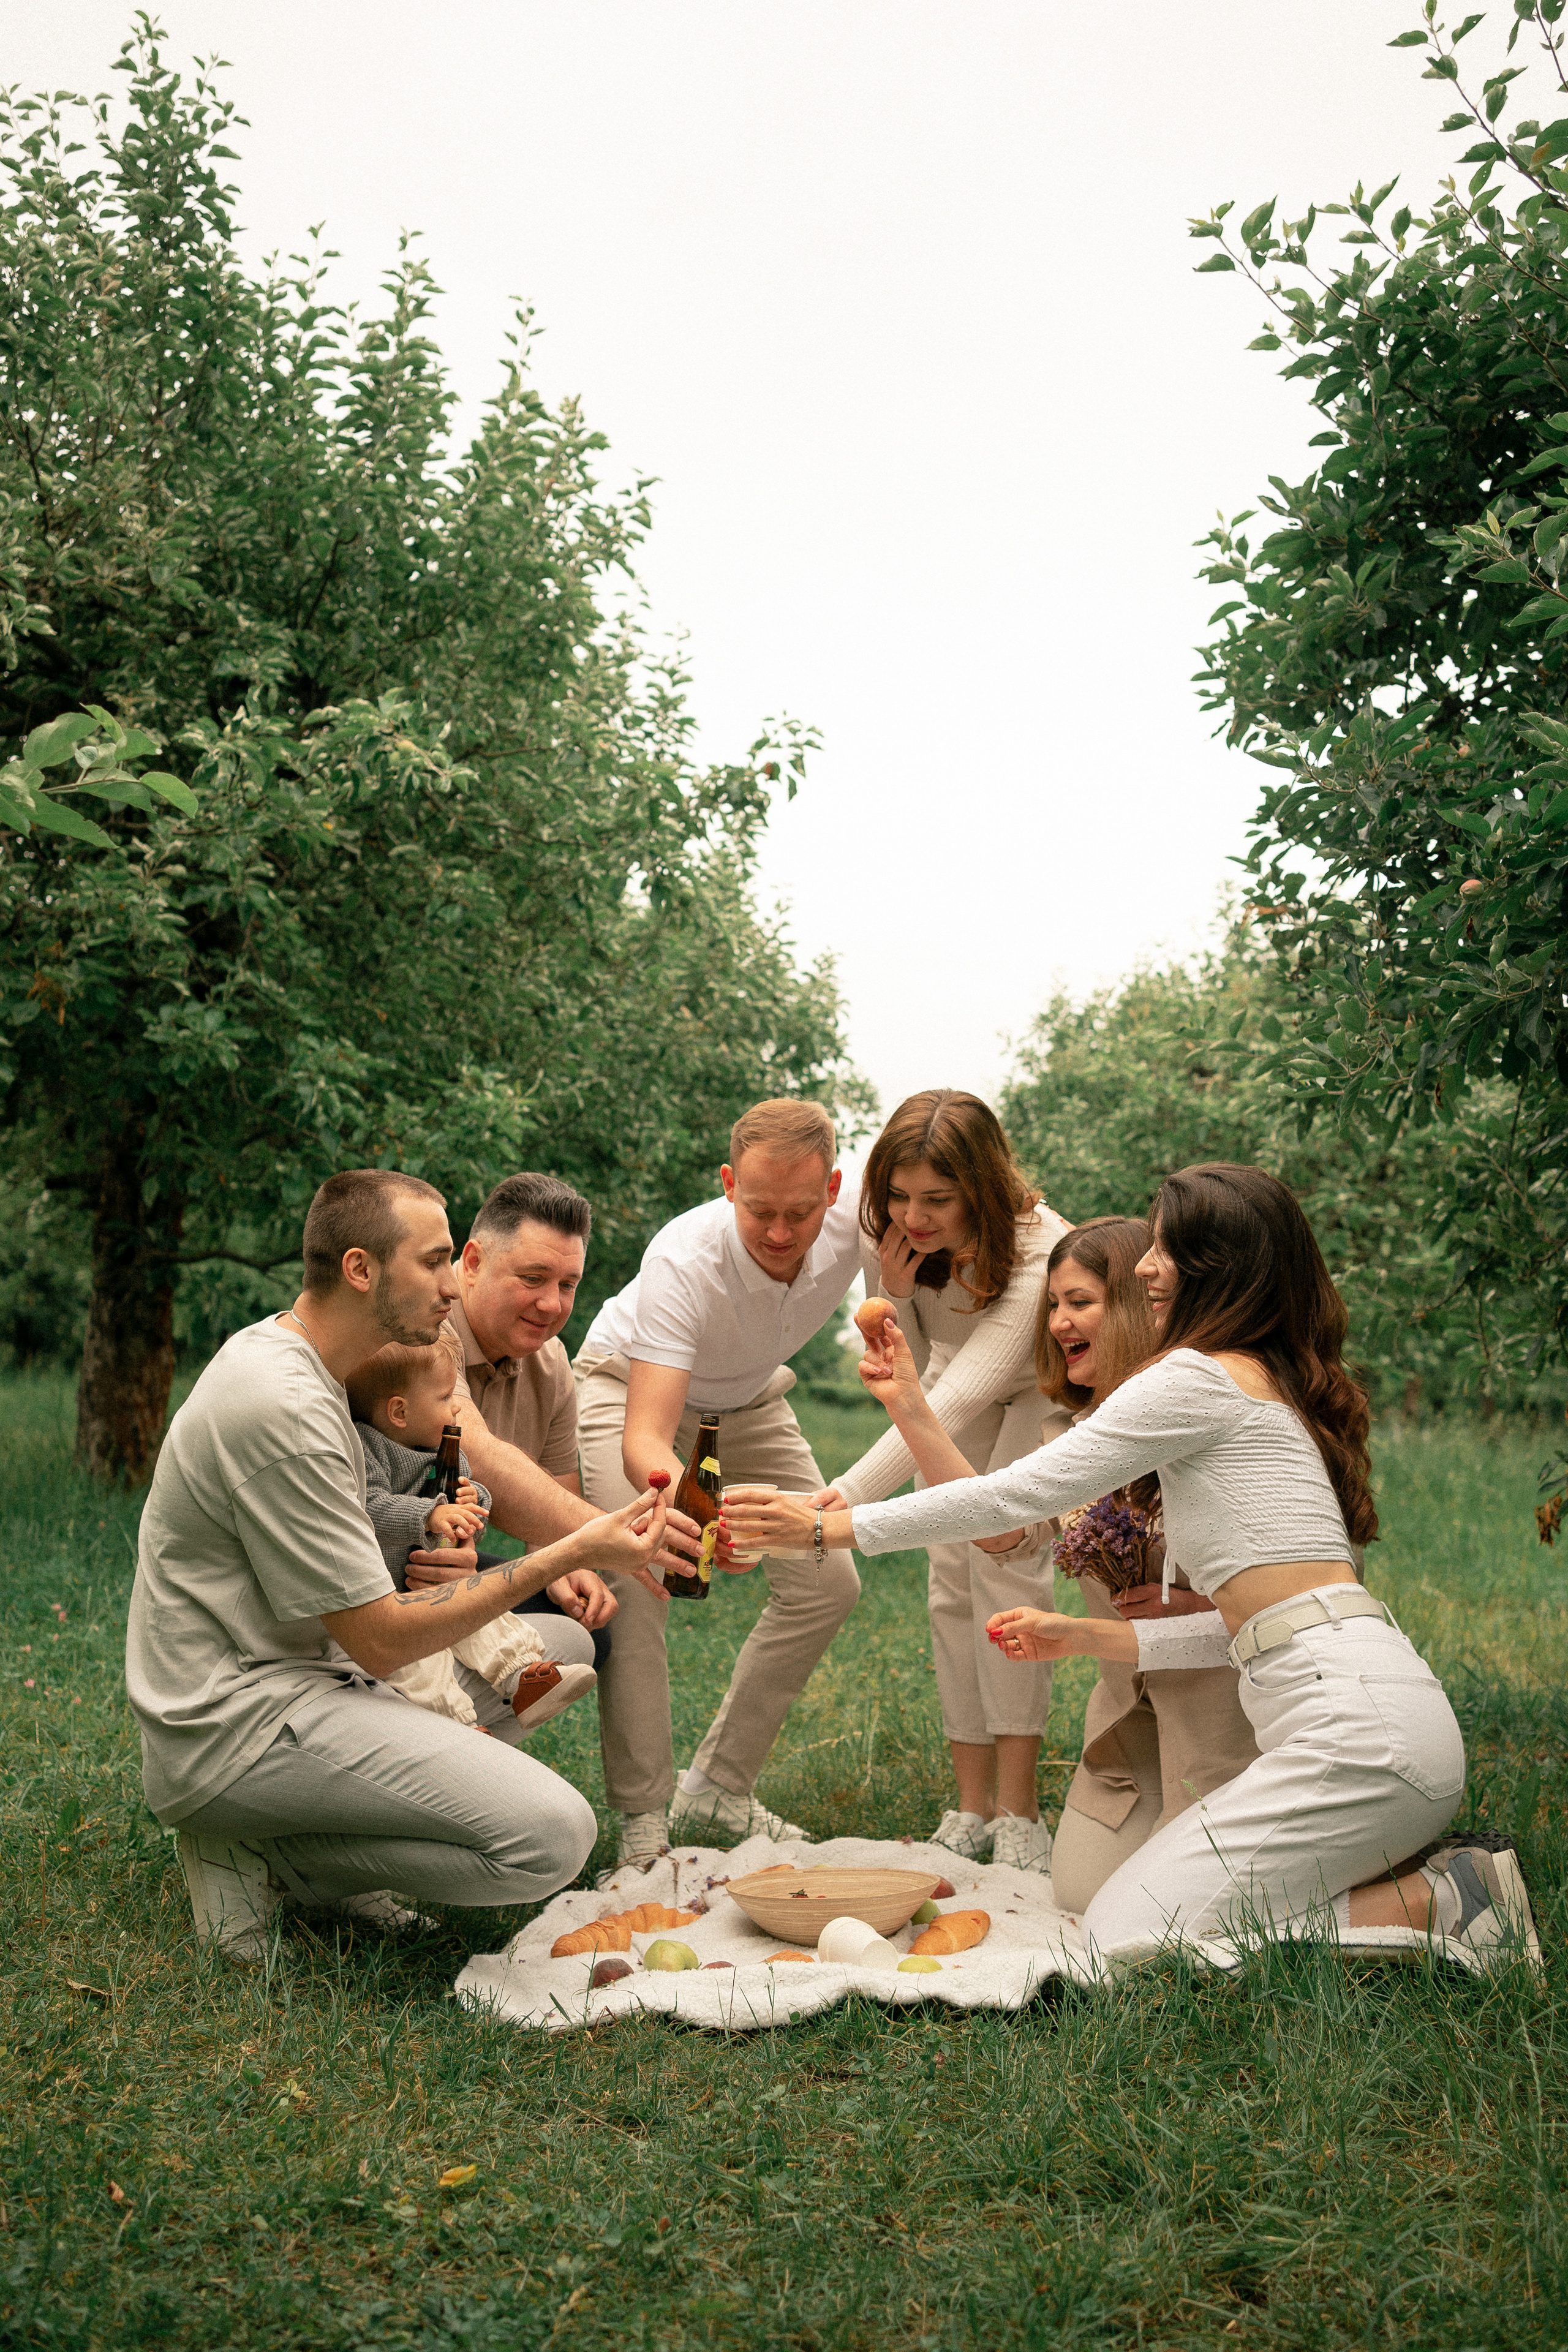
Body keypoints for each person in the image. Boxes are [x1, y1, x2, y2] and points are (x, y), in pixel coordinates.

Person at [724, 1164, 1540, 1967]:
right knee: (1120, 1912)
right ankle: (1419, 1886)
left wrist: (831, 1528)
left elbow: (1017, 1495)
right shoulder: (1263, 1380)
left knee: (1126, 1937)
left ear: (1219, 1267)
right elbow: (1236, 1634)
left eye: (1166, 1245)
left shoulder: (1196, 1379)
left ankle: (1447, 1898)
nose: (1146, 1264)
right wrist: (1091, 1635)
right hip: (1378, 1727)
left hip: (1358, 1739)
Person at [127, 1168, 668, 1961]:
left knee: (557, 1651)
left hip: (309, 1674)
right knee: (551, 1840)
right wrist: (571, 1550)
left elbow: (363, 1596)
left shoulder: (323, 1374)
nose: (454, 1285)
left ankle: (296, 1842)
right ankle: (267, 1853)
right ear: (360, 1269)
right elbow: (381, 1639)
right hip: (230, 1725)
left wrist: (444, 1569)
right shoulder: (282, 1401)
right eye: (436, 1259)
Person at [575, 1098, 865, 1869]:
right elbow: (646, 1434)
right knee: (640, 1572)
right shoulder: (683, 1258)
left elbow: (956, 1171)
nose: (778, 1232)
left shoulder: (867, 1205)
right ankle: (643, 1821)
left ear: (834, 1191)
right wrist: (691, 1513)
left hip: (749, 1398)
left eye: (799, 1213)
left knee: (827, 1580)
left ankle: (719, 1788)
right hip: (630, 1392)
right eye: (758, 1209)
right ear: (729, 1183)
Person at [823, 1090, 1071, 1870]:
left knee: (1008, 1567)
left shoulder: (1039, 1255)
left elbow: (960, 1389)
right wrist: (896, 1292)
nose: (912, 1217)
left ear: (983, 1187)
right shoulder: (891, 1235)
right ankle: (970, 1804)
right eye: (897, 1196)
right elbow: (918, 1360)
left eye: (937, 1198)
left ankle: (1020, 1810)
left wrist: (845, 1497)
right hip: (945, 1388)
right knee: (951, 1575)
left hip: (1036, 1386)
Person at [1035, 1217, 1259, 1912]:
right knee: (1079, 1897)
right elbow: (997, 1527)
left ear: (1133, 1309)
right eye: (1052, 1305)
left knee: (1172, 1919)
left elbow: (1318, 1589)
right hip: (1128, 1733)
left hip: (1224, 1723)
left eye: (1078, 1302)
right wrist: (908, 1403)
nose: (1057, 1323)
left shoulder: (1216, 1420)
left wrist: (1221, 1607)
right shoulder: (1069, 1436)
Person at [345, 1340, 596, 1733]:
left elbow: (476, 1499)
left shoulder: (444, 1448)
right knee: (420, 1664)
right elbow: (371, 1508)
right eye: (445, 1397)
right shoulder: (368, 1450)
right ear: (399, 1411)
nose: (457, 1406)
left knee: (483, 1616)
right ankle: (455, 1724)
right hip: (391, 1601)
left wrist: (473, 1500)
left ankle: (525, 1677)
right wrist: (430, 1515)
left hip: (439, 1587)